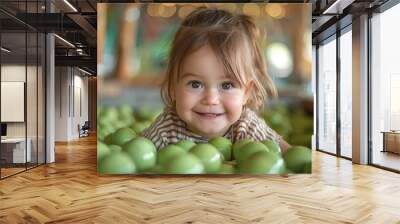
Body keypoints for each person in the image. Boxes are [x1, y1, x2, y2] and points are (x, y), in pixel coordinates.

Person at [142, 7, 291, 153]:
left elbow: (290, 156)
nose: (211, 99)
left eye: (226, 85)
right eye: (195, 84)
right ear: (173, 88)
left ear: (246, 93)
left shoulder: (247, 128)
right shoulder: (166, 130)